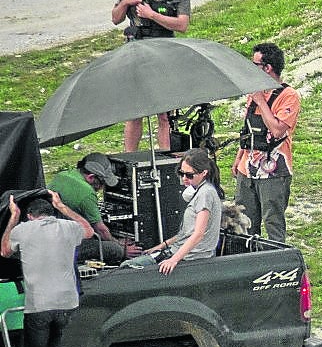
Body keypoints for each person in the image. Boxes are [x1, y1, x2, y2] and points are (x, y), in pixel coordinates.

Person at [1, 192, 92, 347]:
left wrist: (13, 218)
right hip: (66, 305)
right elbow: (88, 231)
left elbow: (5, 250)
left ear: (30, 216)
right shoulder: (68, 227)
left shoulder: (24, 229)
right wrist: (63, 205)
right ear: (51, 212)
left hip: (39, 307)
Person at [112, 0, 192, 152]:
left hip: (164, 53)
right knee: (134, 113)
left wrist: (151, 14)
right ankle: (131, 158)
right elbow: (116, 18)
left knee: (164, 114)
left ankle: (166, 157)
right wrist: (127, 1)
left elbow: (182, 25)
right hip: (136, 52)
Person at [233, 42, 300, 242]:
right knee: (243, 222)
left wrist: (261, 101)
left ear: (267, 68)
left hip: (274, 172)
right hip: (248, 169)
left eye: (255, 65)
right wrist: (239, 158)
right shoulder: (253, 94)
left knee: (273, 222)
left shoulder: (289, 96)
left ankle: (277, 264)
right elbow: (248, 129)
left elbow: (278, 129)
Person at [134, 148, 222, 276]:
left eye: (189, 175)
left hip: (191, 256)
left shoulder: (206, 194)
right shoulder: (201, 190)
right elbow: (187, 232)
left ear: (204, 173)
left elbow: (198, 234)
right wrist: (161, 246)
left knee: (129, 267)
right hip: (177, 250)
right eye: (182, 173)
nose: (184, 179)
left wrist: (173, 260)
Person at [48, 152, 137, 263]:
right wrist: (121, 247)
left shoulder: (62, 175)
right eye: (102, 183)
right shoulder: (87, 193)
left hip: (52, 235)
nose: (102, 188)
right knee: (115, 250)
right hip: (64, 246)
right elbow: (101, 230)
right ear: (91, 177)